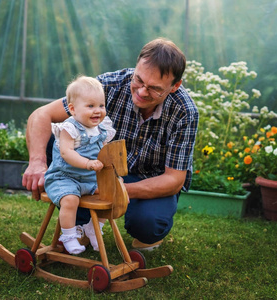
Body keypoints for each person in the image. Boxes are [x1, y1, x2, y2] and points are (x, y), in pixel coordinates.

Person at [23, 37, 199, 251]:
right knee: (60, 138)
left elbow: (174, 180)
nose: (142, 92)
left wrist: (116, 190)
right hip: (98, 170)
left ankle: (144, 232)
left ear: (175, 86)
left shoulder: (184, 111)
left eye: (154, 89)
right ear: (136, 67)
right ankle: (80, 224)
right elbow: (42, 114)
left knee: (148, 224)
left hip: (147, 179)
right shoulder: (108, 85)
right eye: (139, 80)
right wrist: (37, 162)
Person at [43, 75, 116, 254]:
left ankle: (94, 227)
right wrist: (88, 163)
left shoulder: (101, 128)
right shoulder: (69, 128)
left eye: (101, 105)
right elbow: (66, 153)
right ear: (73, 109)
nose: (97, 111)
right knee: (70, 199)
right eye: (90, 106)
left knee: (111, 193)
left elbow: (104, 151)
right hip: (64, 178)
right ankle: (68, 236)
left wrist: (110, 166)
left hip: (89, 179)